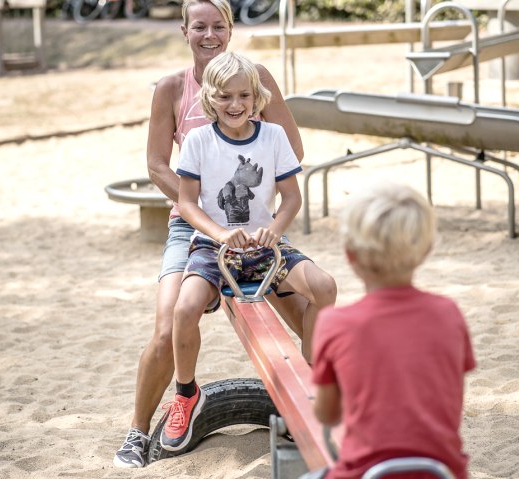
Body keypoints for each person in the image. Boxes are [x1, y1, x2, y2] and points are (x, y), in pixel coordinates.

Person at [113, 0, 309, 468]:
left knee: (306, 312)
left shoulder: (254, 76)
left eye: (218, 25)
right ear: (184, 31)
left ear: (230, 29)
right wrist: (206, 213)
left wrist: (252, 218)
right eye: (198, 26)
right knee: (167, 328)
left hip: (254, 229)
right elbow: (158, 164)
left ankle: (319, 402)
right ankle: (139, 432)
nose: (209, 34)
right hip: (194, 227)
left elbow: (291, 147)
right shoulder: (170, 89)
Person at [159, 51, 338, 452]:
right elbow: (187, 203)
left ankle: (309, 385)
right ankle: (186, 393)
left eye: (243, 96)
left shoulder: (273, 137)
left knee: (325, 287)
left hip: (266, 246)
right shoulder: (200, 141)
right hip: (213, 246)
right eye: (224, 97)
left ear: (256, 97)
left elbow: (291, 197)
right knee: (185, 309)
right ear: (210, 98)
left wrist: (274, 231)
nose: (235, 105)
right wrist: (220, 234)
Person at [308, 181, 475, 479]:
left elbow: (327, 414)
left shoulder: (335, 323)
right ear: (425, 251)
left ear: (350, 254)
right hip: (444, 471)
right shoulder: (449, 314)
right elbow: (451, 400)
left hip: (364, 472)